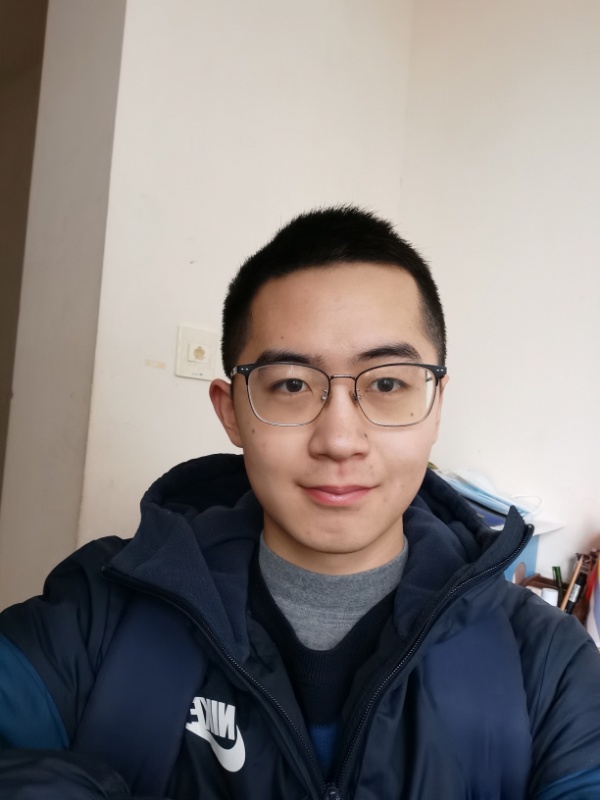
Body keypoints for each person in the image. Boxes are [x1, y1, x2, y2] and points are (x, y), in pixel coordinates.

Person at [1, 206, 599, 800]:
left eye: (386, 383)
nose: (339, 440)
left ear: (436, 404)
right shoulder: (97, 613)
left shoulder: (546, 665)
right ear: (230, 412)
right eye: (291, 384)